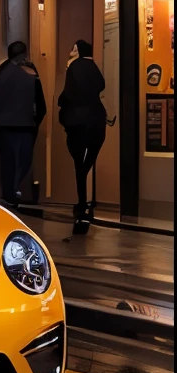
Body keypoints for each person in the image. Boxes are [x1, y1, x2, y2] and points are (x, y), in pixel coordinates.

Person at [58, 38, 108, 232]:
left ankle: (82, 205)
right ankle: (83, 203)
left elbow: (67, 94)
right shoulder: (94, 67)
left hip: (77, 120)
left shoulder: (74, 67)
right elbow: (101, 86)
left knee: (78, 162)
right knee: (88, 161)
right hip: (96, 119)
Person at [0, 39, 46, 209]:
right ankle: (14, 189)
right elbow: (39, 99)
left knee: (8, 161)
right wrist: (36, 120)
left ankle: (9, 193)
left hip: (4, 123)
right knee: (24, 160)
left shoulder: (1, 70)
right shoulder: (30, 69)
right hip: (26, 124)